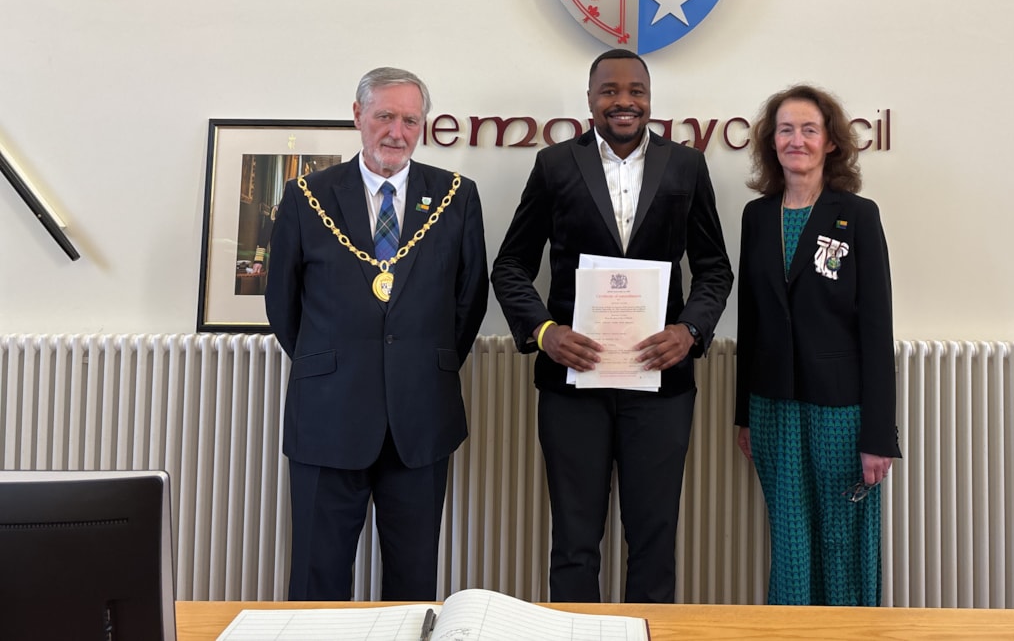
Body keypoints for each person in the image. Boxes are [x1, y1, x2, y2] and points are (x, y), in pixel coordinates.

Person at [491, 48, 733, 603]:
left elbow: (715, 269)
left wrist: (690, 330)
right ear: (590, 101)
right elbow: (509, 266)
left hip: (660, 384)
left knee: (654, 539)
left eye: (636, 91)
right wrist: (545, 332)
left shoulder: (686, 166)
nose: (624, 101)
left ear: (650, 99)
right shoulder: (554, 166)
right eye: (610, 91)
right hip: (573, 386)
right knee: (575, 542)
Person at [265, 66, 489, 601]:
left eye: (411, 119)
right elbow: (283, 306)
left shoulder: (457, 196)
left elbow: (469, 300)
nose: (397, 131)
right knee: (317, 580)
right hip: (328, 414)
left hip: (421, 417)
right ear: (358, 115)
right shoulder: (305, 198)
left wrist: (414, 365)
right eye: (385, 115)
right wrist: (336, 363)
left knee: (414, 585)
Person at [734, 83, 900, 606]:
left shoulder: (858, 215)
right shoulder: (757, 217)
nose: (796, 140)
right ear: (771, 141)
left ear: (830, 142)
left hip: (842, 413)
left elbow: (876, 328)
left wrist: (879, 435)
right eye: (786, 129)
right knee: (789, 542)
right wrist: (743, 414)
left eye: (809, 129)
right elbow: (751, 321)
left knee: (842, 542)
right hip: (772, 408)